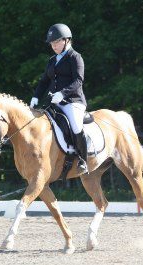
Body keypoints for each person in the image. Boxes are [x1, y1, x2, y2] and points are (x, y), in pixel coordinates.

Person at [30, 23, 88, 173]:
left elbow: (78, 81)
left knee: (76, 125)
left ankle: (83, 160)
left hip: (73, 101)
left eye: (56, 42)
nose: (53, 46)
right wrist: (36, 97)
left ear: (67, 40)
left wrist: (63, 93)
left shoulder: (75, 58)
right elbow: (44, 81)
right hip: (54, 102)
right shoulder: (52, 60)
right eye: (52, 43)